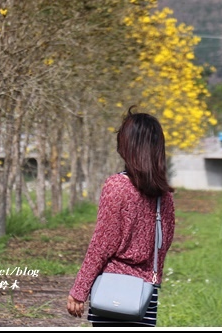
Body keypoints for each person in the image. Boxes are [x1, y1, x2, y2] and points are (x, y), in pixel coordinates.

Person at [67, 107, 176, 327]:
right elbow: (162, 245)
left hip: (112, 287)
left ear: (127, 146)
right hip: (145, 293)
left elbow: (102, 243)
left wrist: (79, 290)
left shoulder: (117, 186)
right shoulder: (163, 195)